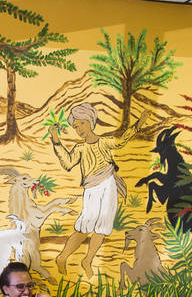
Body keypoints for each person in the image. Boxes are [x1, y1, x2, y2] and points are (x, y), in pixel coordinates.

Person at [48, 102, 141, 280]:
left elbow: (121, 142)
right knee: (85, 225)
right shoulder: (80, 148)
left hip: (109, 184)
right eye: (75, 126)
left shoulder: (105, 142)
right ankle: (62, 256)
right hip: (92, 188)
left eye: (82, 123)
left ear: (90, 121)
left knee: (103, 225)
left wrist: (139, 124)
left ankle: (87, 260)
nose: (79, 128)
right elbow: (67, 163)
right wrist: (56, 139)